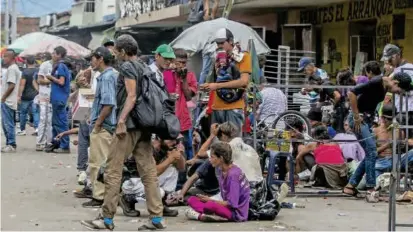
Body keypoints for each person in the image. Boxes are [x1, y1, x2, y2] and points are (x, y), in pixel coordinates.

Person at [80, 35, 166, 231]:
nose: (115, 55)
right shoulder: (145, 67)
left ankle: (106, 218)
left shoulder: (127, 67)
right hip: (145, 125)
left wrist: (121, 121)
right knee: (149, 171)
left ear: (124, 52)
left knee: (113, 170)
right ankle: (156, 218)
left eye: (117, 51)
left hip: (129, 126)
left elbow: (132, 95)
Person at [343, 69, 413, 202]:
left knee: (371, 153)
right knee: (371, 151)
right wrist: (357, 116)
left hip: (366, 119)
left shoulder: (385, 85)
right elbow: (351, 93)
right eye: (398, 90)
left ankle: (350, 186)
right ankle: (370, 189)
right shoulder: (377, 82)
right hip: (359, 118)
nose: (397, 93)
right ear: (395, 82)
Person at [81, 47, 118, 208]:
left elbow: (108, 103)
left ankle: (100, 196)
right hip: (107, 124)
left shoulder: (107, 77)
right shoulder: (110, 75)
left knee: (98, 162)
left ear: (100, 58)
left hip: (104, 126)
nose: (91, 63)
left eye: (93, 59)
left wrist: (97, 123)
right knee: (102, 161)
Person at [185, 142, 250, 222]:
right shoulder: (220, 170)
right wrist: (208, 199)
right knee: (191, 199)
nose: (210, 159)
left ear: (221, 158)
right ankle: (211, 214)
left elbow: (232, 204)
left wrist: (210, 200)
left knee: (210, 205)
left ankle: (199, 216)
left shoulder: (233, 175)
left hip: (236, 213)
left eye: (212, 157)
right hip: (225, 205)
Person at [200, 28, 251, 132]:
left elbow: (244, 81)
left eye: (222, 43)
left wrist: (217, 86)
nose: (219, 46)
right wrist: (208, 86)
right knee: (217, 145)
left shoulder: (243, 56)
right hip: (216, 107)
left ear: (231, 41)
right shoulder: (218, 58)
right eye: (217, 43)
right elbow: (216, 81)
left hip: (234, 107)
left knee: (233, 144)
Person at [121, 137, 185, 217]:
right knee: (159, 192)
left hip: (145, 180)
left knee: (172, 170)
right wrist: (170, 158)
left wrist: (179, 154)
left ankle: (161, 205)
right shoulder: (148, 147)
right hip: (132, 182)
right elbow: (153, 172)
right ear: (159, 137)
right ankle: (127, 198)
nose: (174, 142)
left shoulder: (166, 147)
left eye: (176, 140)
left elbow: (181, 168)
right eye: (171, 139)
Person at [163, 48, 198, 189]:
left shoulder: (189, 76)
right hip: (167, 120)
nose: (181, 66)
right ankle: (168, 184)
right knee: (169, 151)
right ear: (173, 61)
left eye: (184, 63)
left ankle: (182, 185)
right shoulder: (166, 73)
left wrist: (183, 79)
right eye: (178, 62)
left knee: (185, 151)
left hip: (183, 121)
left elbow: (189, 96)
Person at [381, 44, 413, 137]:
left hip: (408, 111)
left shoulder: (409, 68)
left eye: (391, 58)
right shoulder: (395, 70)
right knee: (398, 140)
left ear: (398, 55)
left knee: (406, 140)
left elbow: (409, 86)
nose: (389, 61)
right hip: (398, 110)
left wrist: (396, 88)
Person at [374, 105, 413, 177]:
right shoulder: (375, 131)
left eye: (393, 119)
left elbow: (403, 148)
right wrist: (388, 144)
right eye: (389, 119)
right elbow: (371, 153)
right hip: (381, 162)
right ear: (383, 118)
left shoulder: (398, 131)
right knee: (373, 184)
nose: (391, 121)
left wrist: (403, 144)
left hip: (395, 160)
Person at [46, 46, 71, 153]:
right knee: (55, 123)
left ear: (59, 55)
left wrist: (51, 78)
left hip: (59, 99)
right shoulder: (60, 66)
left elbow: (61, 82)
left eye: (54, 53)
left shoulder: (61, 66)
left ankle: (65, 146)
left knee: (60, 123)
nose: (52, 55)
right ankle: (56, 143)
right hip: (57, 98)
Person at [1, 49, 22, 152]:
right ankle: (9, 143)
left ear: (12, 58)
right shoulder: (12, 68)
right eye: (3, 56)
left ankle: (11, 144)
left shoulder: (12, 69)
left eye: (6, 56)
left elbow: (11, 85)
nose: (4, 58)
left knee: (7, 123)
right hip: (9, 100)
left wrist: (4, 97)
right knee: (5, 123)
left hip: (8, 101)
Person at [17, 56, 39, 136]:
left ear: (26, 62)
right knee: (35, 112)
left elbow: (22, 85)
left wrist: (19, 95)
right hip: (36, 95)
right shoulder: (38, 71)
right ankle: (37, 128)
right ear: (34, 62)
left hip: (25, 96)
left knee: (23, 113)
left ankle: (23, 130)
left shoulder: (25, 72)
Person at [36, 52, 53, 151]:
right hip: (44, 96)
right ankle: (40, 142)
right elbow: (39, 80)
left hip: (53, 97)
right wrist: (53, 80)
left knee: (50, 121)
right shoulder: (45, 65)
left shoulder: (58, 66)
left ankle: (49, 142)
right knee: (44, 119)